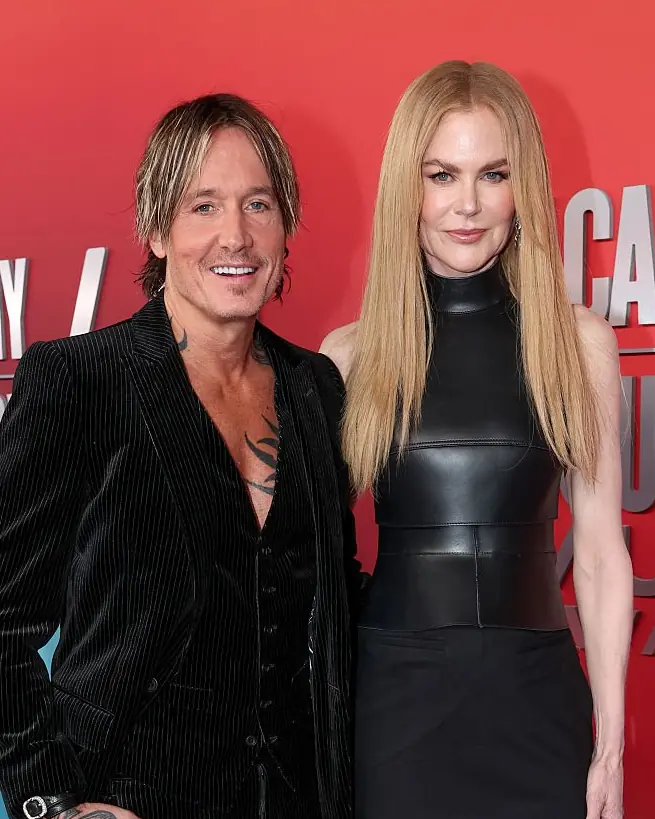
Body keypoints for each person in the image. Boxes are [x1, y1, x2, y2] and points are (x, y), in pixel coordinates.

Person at [0, 93, 360, 819]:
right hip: (130, 795)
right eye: (203, 206)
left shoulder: (314, 387)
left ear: (286, 225)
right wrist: (54, 802)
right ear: (156, 228)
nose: (236, 235)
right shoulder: (80, 381)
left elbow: (330, 598)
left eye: (258, 204)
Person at [321, 61, 632, 819]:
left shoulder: (578, 343)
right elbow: (310, 563)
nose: (466, 204)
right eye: (441, 174)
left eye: (492, 173)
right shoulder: (349, 356)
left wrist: (610, 745)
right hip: (395, 704)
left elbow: (596, 552)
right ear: (408, 187)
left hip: (536, 702)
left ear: (521, 185)